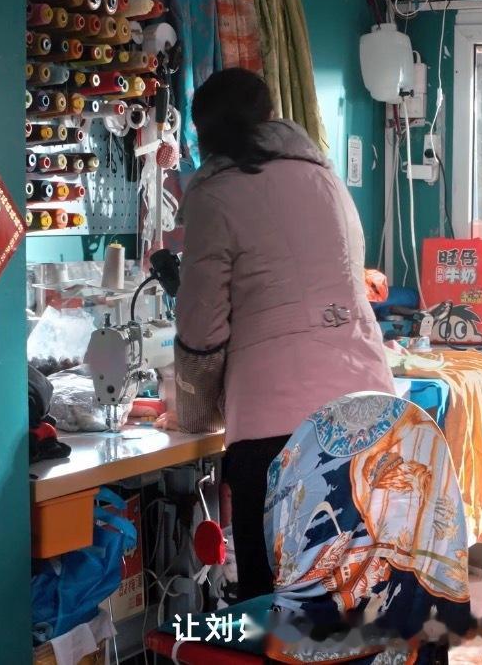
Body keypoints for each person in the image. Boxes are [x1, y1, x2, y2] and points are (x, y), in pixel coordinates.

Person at [161, 68, 395, 601]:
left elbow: (201, 326)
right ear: (269, 116)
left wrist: (195, 410)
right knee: (355, 587)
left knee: (276, 600)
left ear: (202, 134)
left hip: (278, 427)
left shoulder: (215, 194)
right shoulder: (323, 177)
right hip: (368, 407)